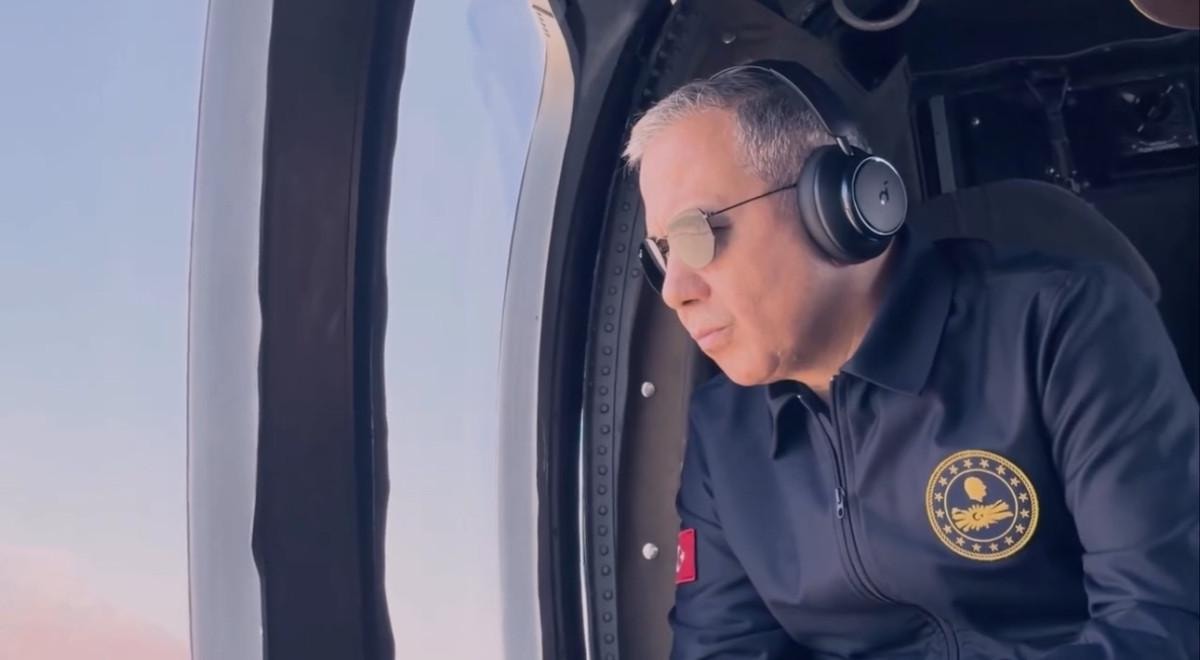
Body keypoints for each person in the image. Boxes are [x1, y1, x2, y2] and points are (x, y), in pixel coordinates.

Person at [622, 60, 1200, 659]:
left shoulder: (1060, 327)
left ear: (836, 204)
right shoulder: (723, 428)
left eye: (698, 234)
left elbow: (1162, 623)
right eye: (661, 253)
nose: (675, 290)